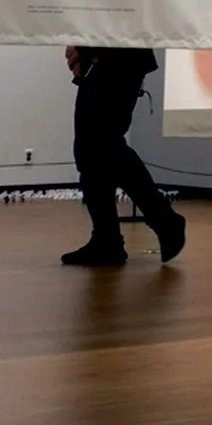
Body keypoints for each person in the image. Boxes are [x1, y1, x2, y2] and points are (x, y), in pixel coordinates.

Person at [62, 45, 186, 266]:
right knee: (94, 148)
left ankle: (159, 222)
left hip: (116, 54)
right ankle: (108, 240)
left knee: (100, 144)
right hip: (110, 54)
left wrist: (83, 47)